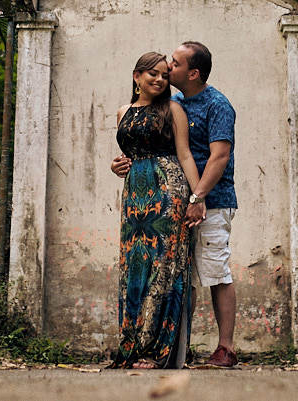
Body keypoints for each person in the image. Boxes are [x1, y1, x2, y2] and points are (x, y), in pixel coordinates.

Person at [112, 41, 239, 368]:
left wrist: (198, 197)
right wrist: (121, 164)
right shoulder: (172, 100)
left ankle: (225, 348)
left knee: (215, 271)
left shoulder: (217, 105)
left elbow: (219, 156)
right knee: (176, 273)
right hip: (165, 198)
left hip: (210, 198)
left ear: (193, 72)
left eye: (175, 65)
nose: (168, 69)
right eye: (159, 69)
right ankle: (179, 348)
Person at [108, 52, 202, 369]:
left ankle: (155, 349)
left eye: (164, 74)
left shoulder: (173, 109)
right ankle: (132, 345)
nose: (160, 79)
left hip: (168, 189)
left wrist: (196, 197)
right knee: (134, 266)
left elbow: (185, 154)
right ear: (137, 77)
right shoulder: (123, 111)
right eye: (153, 74)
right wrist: (114, 164)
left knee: (163, 267)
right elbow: (127, 155)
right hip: (134, 193)